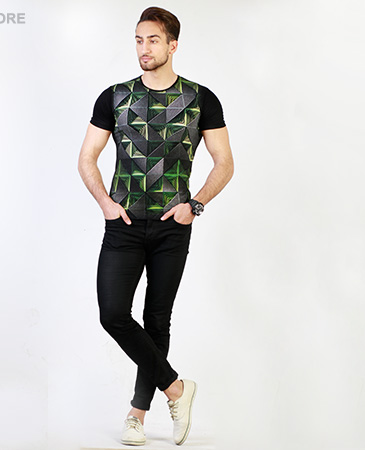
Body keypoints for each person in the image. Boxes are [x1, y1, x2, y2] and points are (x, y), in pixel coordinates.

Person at [78, 6, 234, 446]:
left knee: (156, 319)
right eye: (138, 40)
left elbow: (224, 163)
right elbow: (87, 158)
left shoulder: (201, 99)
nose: (144, 48)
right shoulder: (114, 97)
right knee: (113, 314)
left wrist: (195, 205)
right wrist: (106, 203)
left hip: (172, 226)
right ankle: (177, 390)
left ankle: (137, 416)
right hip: (123, 224)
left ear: (172, 45)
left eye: (153, 40)